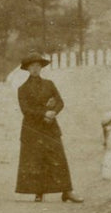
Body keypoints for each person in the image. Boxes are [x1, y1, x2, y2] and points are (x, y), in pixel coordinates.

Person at [14, 50, 82, 203]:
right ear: (27, 69)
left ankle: (67, 191)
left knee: (58, 157)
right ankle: (38, 192)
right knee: (36, 159)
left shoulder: (49, 84)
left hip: (51, 127)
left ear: (41, 67)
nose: (35, 69)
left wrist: (53, 113)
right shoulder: (22, 89)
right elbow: (26, 110)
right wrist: (45, 113)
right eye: (32, 66)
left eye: (38, 65)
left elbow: (60, 102)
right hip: (33, 129)